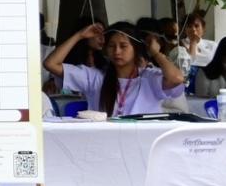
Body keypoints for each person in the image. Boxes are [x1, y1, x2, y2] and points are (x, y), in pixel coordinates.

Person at [43, 21, 186, 117]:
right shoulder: (95, 77)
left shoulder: (149, 78)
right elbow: (50, 64)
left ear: (135, 48)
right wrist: (79, 35)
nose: (117, 51)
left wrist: (155, 53)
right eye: (112, 46)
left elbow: (177, 78)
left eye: (123, 46)